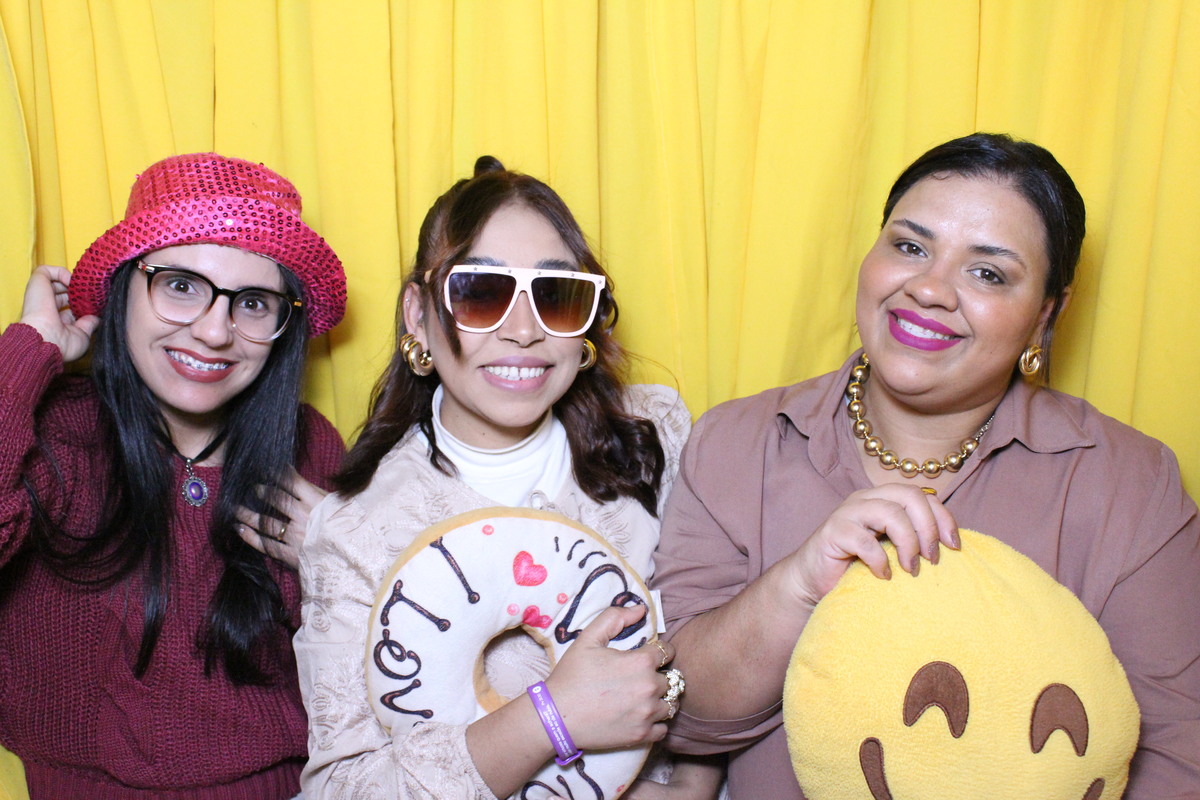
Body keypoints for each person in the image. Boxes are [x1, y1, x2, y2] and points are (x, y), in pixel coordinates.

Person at [653, 133, 1200, 798]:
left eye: (988, 273)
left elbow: (1179, 755)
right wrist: (796, 584)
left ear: (1045, 316)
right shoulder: (738, 443)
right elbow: (681, 716)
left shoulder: (1129, 483)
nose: (931, 289)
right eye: (910, 247)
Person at [295, 157, 721, 799]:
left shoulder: (656, 437)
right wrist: (552, 718)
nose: (524, 332)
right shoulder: (356, 532)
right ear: (418, 315)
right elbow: (343, 788)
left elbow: (716, 630)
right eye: (481, 293)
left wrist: (697, 782)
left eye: (556, 296)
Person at [0, 153, 348, 799]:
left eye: (252, 303)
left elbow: (376, 660)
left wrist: (338, 553)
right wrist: (29, 349)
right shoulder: (51, 433)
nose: (214, 332)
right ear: (124, 290)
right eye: (181, 285)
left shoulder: (307, 448)